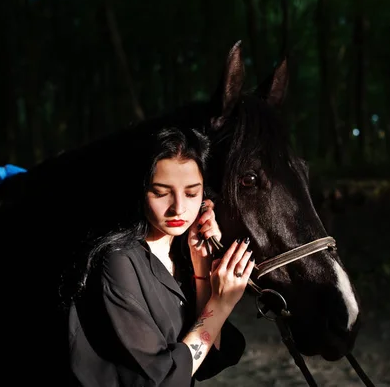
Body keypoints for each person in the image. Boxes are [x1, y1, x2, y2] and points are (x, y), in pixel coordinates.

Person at [66, 126, 254, 386]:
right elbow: (165, 380)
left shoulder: (183, 251)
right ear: (140, 190)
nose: (178, 208)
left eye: (191, 193)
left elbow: (204, 363)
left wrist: (201, 271)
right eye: (161, 192)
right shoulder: (117, 261)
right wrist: (220, 304)